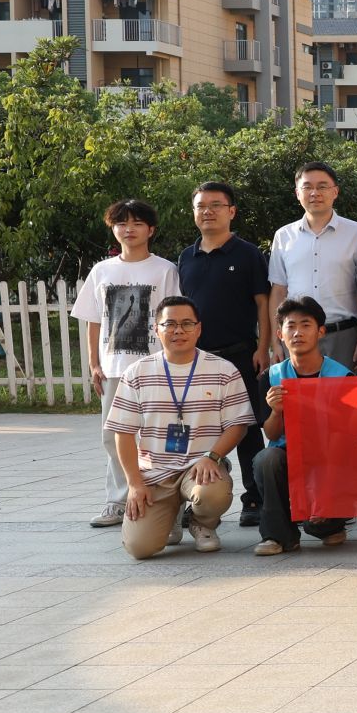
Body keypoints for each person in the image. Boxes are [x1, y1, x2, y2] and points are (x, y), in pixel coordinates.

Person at [105, 297, 255, 560]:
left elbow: (238, 425)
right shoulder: (137, 373)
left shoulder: (223, 371)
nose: (178, 330)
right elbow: (123, 432)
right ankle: (170, 516)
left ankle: (202, 523)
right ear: (156, 329)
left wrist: (213, 456)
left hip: (201, 467)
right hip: (155, 474)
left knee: (213, 494)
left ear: (199, 328)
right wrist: (135, 484)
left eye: (187, 323)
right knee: (140, 548)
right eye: (170, 324)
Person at [74, 199, 182, 528]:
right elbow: (93, 320)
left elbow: (174, 317)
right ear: (113, 229)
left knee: (159, 436)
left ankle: (167, 503)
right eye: (121, 223)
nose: (129, 229)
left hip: (155, 368)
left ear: (151, 230)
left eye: (136, 223)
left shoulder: (164, 269)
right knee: (112, 436)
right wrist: (94, 363)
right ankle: (117, 501)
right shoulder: (102, 271)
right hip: (114, 368)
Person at [176, 182, 268, 528]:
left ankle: (254, 497)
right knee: (193, 426)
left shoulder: (248, 254)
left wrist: (263, 347)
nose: (208, 212)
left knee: (246, 426)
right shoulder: (186, 257)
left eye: (216, 205)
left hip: (240, 354)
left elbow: (263, 304)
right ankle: (189, 495)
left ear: (231, 211)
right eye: (201, 206)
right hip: (196, 360)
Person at [252, 298, 352, 557]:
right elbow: (271, 434)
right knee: (266, 459)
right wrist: (277, 410)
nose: (298, 332)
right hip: (289, 454)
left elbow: (350, 437)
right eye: (291, 326)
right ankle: (277, 535)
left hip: (329, 458)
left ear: (321, 331)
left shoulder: (343, 377)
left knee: (322, 528)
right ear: (280, 335)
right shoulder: (271, 377)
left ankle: (330, 522)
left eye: (306, 325)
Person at [267, 162, 357, 365]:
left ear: (335, 192)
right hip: (296, 336)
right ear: (297, 193)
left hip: (343, 336)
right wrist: (275, 341)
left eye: (322, 186)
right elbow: (278, 291)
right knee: (297, 387)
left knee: (343, 386)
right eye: (307, 187)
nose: (315, 193)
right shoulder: (283, 235)